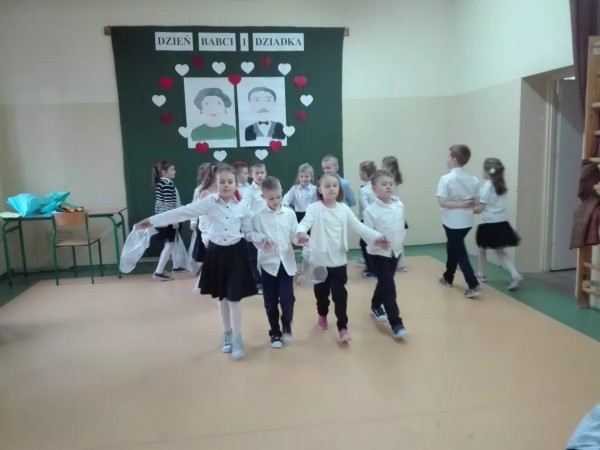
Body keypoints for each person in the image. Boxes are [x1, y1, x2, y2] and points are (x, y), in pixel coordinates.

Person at [137, 165, 267, 360]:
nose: (226, 185)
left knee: (234, 299)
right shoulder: (209, 203)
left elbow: (248, 233)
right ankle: (227, 334)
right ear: (216, 183)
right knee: (222, 298)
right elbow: (183, 212)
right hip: (216, 254)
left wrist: (263, 240)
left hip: (236, 254)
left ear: (235, 184)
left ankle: (238, 338)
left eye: (230, 182)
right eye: (222, 182)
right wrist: (153, 220)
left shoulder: (242, 208)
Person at [296, 172, 390, 342]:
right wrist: (301, 232)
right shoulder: (314, 208)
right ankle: (322, 314)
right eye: (327, 186)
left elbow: (360, 227)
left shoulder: (344, 209)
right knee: (321, 294)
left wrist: (377, 237)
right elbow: (304, 223)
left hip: (338, 261)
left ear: (339, 188)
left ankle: (342, 326)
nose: (332, 188)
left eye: (335, 185)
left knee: (340, 295)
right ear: (320, 189)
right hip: (319, 262)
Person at [252, 176, 298, 348]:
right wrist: (263, 241)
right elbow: (254, 237)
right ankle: (275, 333)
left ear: (282, 193)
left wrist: (300, 238)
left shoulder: (290, 214)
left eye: (278, 197)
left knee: (288, 300)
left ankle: (286, 325)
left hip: (286, 264)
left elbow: (294, 234)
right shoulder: (258, 216)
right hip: (268, 265)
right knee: (270, 302)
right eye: (271, 198)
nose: (276, 201)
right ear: (263, 197)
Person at [364, 170, 409, 338]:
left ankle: (375, 305)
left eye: (390, 183)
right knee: (390, 287)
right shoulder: (371, 211)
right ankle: (396, 324)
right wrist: (377, 241)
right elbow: (366, 234)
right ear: (374, 189)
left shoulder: (399, 205)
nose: (389, 186)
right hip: (378, 255)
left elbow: (401, 226)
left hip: (395, 252)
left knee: (385, 283)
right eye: (384, 184)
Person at [436, 144, 481, 299]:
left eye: (449, 156)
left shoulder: (446, 179)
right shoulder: (473, 179)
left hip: (452, 222)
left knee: (459, 252)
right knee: (452, 247)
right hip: (466, 222)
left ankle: (473, 285)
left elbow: (442, 202)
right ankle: (448, 277)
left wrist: (460, 204)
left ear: (454, 160)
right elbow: (476, 202)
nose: (447, 159)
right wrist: (466, 203)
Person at [474, 158, 523, 290]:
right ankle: (515, 274)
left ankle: (481, 274)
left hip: (488, 224)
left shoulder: (487, 188)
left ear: (488, 172)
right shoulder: (499, 186)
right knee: (500, 251)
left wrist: (467, 209)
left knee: (481, 248)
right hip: (501, 223)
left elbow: (480, 208)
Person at [151, 160, 186, 280]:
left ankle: (176, 266)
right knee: (169, 244)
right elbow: (168, 204)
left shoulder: (161, 183)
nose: (174, 171)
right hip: (168, 220)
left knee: (173, 242)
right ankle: (158, 272)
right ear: (163, 172)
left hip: (163, 219)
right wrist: (173, 220)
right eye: (172, 170)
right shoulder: (167, 184)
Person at [241, 162, 268, 294]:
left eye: (262, 173)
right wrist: (253, 216)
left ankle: (268, 279)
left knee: (267, 253)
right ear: (251, 175)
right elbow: (244, 207)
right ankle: (258, 282)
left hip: (266, 226)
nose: (260, 175)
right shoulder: (249, 191)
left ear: (266, 173)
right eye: (257, 173)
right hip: (252, 228)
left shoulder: (268, 187)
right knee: (254, 256)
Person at [382, 155, 408, 272]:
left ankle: (400, 264)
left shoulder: (391, 180)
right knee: (393, 237)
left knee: (396, 239)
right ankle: (395, 262)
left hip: (394, 210)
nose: (382, 168)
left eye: (384, 166)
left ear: (390, 167)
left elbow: (390, 196)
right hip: (394, 209)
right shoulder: (391, 178)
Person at [358, 160, 378, 278]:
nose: (359, 174)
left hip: (367, 220)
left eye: (360, 172)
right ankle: (372, 266)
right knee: (372, 243)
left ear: (365, 174)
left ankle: (372, 269)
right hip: (378, 219)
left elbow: (366, 207)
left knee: (365, 243)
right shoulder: (377, 186)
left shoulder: (364, 190)